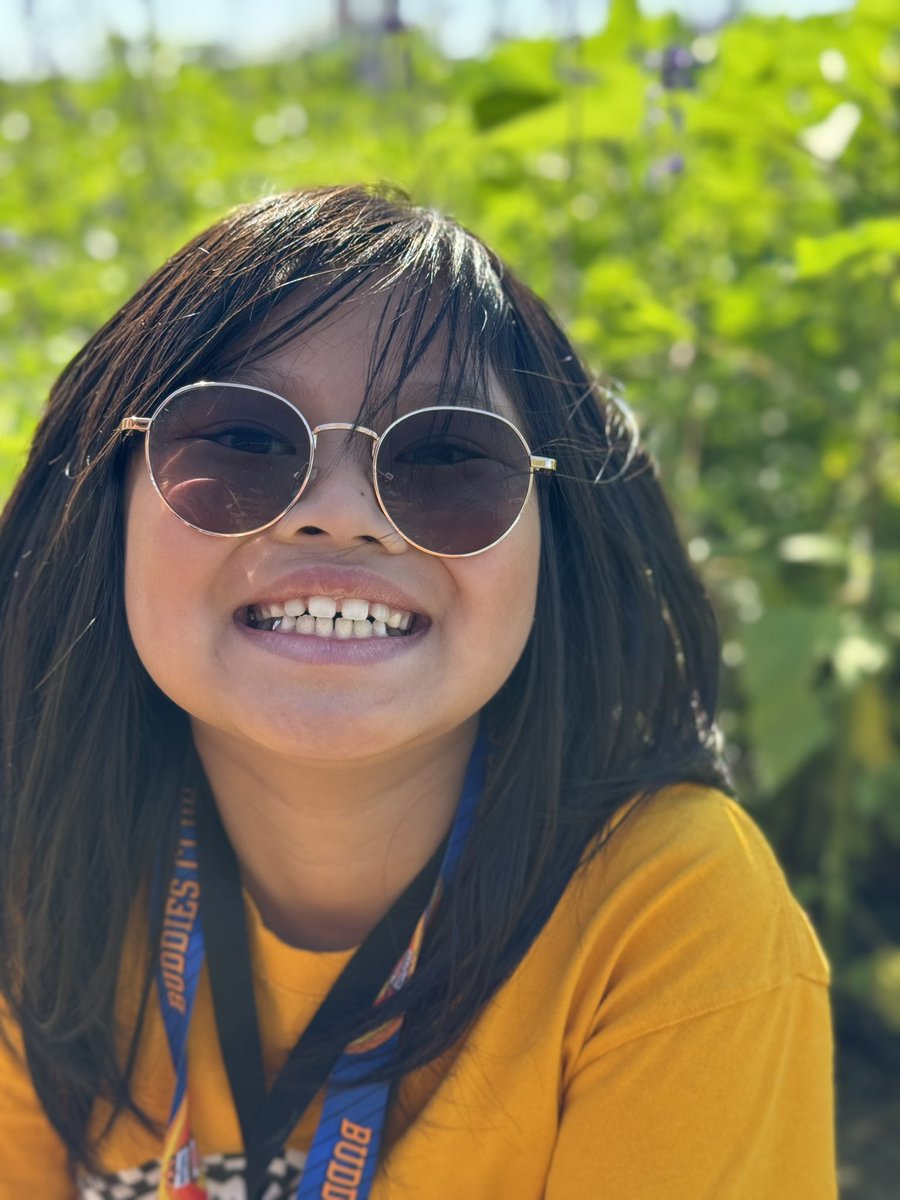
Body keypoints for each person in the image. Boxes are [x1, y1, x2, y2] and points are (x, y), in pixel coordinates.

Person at [0, 185, 835, 1199]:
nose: (342, 516)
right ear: (104, 499)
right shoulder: (34, 866)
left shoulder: (666, 914)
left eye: (445, 459)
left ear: (555, 541)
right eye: (243, 443)